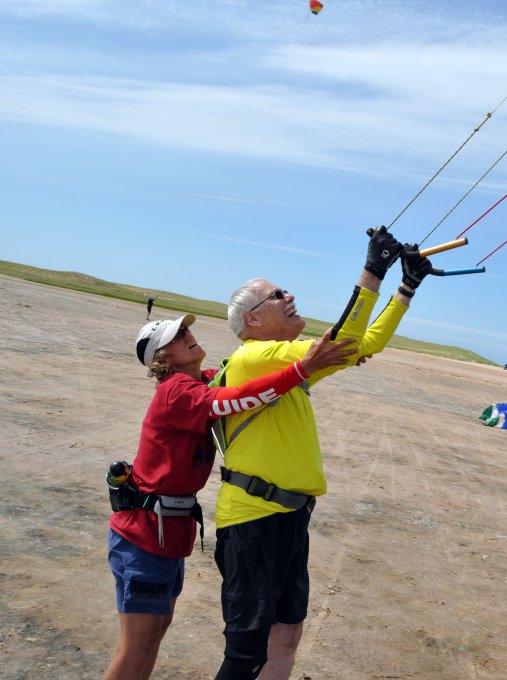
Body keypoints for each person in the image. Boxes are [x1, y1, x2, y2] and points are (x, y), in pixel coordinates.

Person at [212, 227, 432, 680]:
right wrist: (372, 272)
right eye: (276, 294)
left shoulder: (289, 369)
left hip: (291, 518)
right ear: (252, 321)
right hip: (252, 520)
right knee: (245, 655)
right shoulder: (254, 357)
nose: (289, 295)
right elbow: (339, 341)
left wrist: (405, 289)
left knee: (286, 636)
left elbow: (358, 345)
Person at [103, 314, 360, 680]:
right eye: (177, 336)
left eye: (186, 329)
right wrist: (303, 369)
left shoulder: (201, 381)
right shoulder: (176, 391)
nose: (189, 334)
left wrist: (336, 352)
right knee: (137, 645)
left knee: (152, 638)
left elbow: (239, 378)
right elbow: (236, 399)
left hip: (165, 536)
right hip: (144, 538)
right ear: (162, 359)